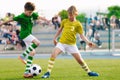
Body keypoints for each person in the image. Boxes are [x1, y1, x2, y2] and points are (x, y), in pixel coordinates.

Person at [41, 5, 99, 78]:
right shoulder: (64, 21)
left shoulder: (78, 24)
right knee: (53, 54)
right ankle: (48, 73)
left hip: (72, 45)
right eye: (69, 15)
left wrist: (88, 42)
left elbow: (82, 35)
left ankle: (89, 72)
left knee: (80, 61)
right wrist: (55, 38)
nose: (69, 16)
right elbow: (60, 30)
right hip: (62, 43)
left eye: (71, 15)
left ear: (75, 14)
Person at [0, 2, 49, 78]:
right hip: (24, 34)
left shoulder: (32, 15)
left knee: (32, 52)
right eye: (29, 12)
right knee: (37, 43)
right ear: (25, 10)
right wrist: (2, 23)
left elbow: (39, 17)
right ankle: (23, 56)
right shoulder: (21, 16)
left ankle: (26, 73)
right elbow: (10, 20)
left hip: (28, 34)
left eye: (31, 12)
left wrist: (46, 20)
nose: (30, 14)